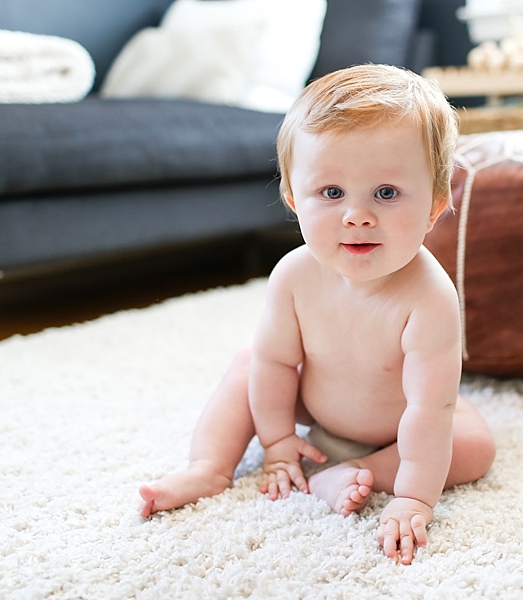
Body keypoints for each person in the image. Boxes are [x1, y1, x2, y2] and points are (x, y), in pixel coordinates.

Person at [139, 64, 495, 565]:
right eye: (331, 193)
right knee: (248, 364)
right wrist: (279, 442)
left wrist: (414, 498)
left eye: (386, 193)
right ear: (293, 198)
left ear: (436, 205)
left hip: (400, 423)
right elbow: (276, 365)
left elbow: (428, 411)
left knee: (474, 444)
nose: (357, 215)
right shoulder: (294, 275)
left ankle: (359, 470)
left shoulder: (430, 298)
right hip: (315, 401)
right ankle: (209, 467)